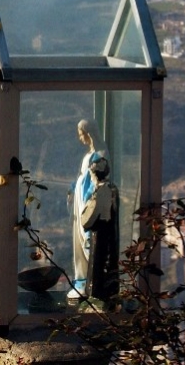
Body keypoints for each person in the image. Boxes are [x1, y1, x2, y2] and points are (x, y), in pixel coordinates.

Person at [68, 119, 108, 300]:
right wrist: (72, 188)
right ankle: (81, 281)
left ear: (89, 133)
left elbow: (97, 182)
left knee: (88, 243)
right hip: (80, 203)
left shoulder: (100, 154)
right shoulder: (90, 155)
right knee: (79, 242)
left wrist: (87, 200)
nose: (79, 137)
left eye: (81, 133)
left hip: (88, 206)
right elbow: (82, 178)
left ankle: (92, 284)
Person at [80, 156, 119, 303]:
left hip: (101, 232)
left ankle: (98, 294)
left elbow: (89, 218)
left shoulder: (102, 191)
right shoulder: (112, 188)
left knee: (98, 263)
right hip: (109, 232)